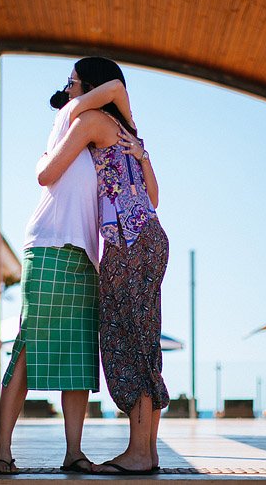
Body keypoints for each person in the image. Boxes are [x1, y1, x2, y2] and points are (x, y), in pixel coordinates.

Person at [0, 60, 134, 475]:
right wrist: (93, 97)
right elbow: (47, 174)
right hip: (51, 242)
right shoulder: (72, 117)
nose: (68, 90)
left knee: (80, 358)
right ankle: (3, 449)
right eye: (71, 85)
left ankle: (73, 452)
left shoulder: (103, 135)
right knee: (26, 347)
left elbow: (118, 98)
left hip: (87, 254)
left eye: (72, 83)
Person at [37, 56, 169, 475]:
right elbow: (153, 197)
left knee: (125, 342)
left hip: (127, 244)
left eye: (73, 82)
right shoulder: (129, 133)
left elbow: (47, 174)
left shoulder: (91, 121)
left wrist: (70, 114)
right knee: (143, 341)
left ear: (88, 84)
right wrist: (142, 148)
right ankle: (147, 452)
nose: (70, 90)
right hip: (151, 238)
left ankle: (138, 453)